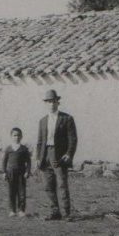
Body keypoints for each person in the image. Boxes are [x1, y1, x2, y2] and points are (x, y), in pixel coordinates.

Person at [36, 89, 77, 220]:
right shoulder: (42, 121)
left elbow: (73, 139)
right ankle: (54, 212)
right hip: (45, 154)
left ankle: (66, 213)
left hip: (59, 155)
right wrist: (38, 157)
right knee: (48, 185)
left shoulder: (67, 119)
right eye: (48, 102)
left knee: (61, 184)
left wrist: (69, 154)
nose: (51, 104)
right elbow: (40, 141)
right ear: (45, 104)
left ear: (57, 102)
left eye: (53, 102)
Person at [1, 127, 31, 217]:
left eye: (18, 135)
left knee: (22, 192)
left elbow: (28, 162)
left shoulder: (24, 149)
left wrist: (27, 171)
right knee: (11, 192)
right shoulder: (8, 148)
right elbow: (4, 161)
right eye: (14, 135)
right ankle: (12, 210)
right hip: (11, 173)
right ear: (11, 136)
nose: (16, 137)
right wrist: (4, 172)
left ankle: (21, 210)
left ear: (21, 136)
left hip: (21, 173)